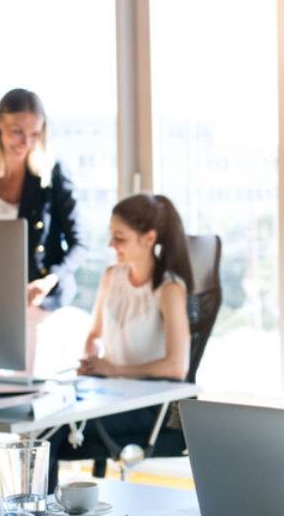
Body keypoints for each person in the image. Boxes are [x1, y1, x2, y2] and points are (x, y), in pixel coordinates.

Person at [48, 193, 193, 490]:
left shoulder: (169, 289)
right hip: (108, 395)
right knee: (43, 421)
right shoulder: (111, 276)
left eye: (120, 238)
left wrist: (114, 370)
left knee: (50, 433)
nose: (111, 245)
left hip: (149, 406)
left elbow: (177, 367)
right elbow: (94, 335)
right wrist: (91, 360)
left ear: (148, 238)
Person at [0, 88, 85, 374]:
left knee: (28, 388)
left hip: (39, 296)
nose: (26, 142)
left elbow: (79, 244)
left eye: (35, 134)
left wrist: (48, 282)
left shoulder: (52, 173)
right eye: (17, 132)